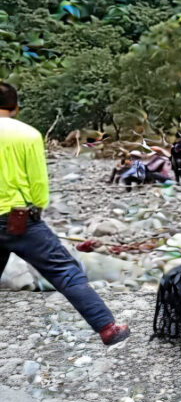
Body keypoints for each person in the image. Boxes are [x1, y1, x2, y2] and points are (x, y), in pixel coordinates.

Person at [0, 82, 130, 346]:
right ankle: (107, 327)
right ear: (15, 108)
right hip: (19, 219)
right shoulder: (27, 134)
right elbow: (38, 183)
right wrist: (37, 208)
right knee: (64, 270)